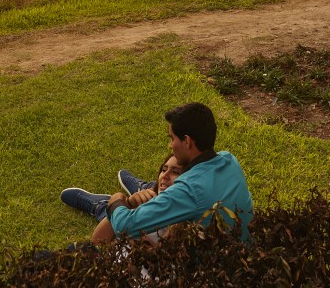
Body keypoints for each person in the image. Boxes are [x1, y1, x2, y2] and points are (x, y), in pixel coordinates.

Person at [105, 102, 254, 242]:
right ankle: (144, 188)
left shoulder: (188, 190)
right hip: (244, 249)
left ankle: (100, 205)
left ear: (187, 141)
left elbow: (124, 227)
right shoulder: (229, 159)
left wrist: (116, 200)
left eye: (172, 138)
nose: (170, 145)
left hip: (213, 265)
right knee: (155, 191)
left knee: (122, 206)